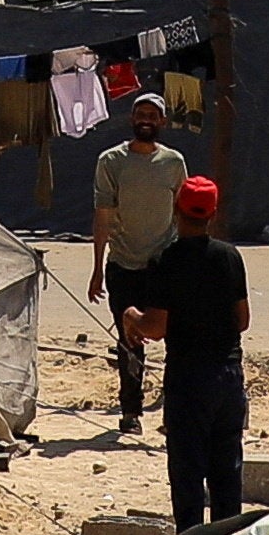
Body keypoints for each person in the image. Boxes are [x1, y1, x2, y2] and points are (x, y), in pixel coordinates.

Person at [121, 175, 253, 532]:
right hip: (227, 377)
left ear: (177, 210)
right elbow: (242, 320)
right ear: (211, 213)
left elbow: (156, 326)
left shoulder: (165, 259)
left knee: (188, 475)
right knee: (227, 474)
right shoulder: (229, 257)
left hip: (187, 379)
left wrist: (131, 317)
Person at [88, 91, 191, 436]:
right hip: (123, 266)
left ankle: (174, 410)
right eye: (140, 114)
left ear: (162, 121)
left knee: (175, 338)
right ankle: (131, 411)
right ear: (132, 120)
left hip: (165, 266)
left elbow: (183, 212)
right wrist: (97, 268)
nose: (146, 120)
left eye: (153, 115)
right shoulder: (111, 161)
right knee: (130, 340)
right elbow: (103, 215)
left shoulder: (174, 163)